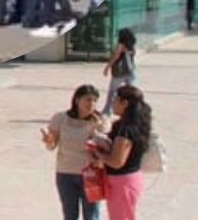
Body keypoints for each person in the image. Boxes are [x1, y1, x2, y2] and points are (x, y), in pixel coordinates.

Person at [41, 84, 106, 220]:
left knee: (92, 215)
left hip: (91, 173)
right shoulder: (60, 118)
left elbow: (103, 149)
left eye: (95, 100)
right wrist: (49, 140)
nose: (91, 104)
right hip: (65, 173)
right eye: (88, 99)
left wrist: (96, 130)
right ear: (77, 100)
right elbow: (52, 146)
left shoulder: (101, 121)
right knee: (69, 215)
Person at [91, 85, 153, 220]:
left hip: (122, 182)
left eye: (115, 100)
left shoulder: (126, 130)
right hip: (130, 178)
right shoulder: (135, 124)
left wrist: (98, 152)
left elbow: (117, 161)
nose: (112, 104)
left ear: (125, 103)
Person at [102, 27, 137, 115]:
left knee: (112, 92)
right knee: (131, 92)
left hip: (120, 72)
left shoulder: (120, 45)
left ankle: (107, 110)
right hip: (130, 71)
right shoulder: (132, 46)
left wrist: (108, 66)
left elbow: (116, 56)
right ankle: (133, 109)